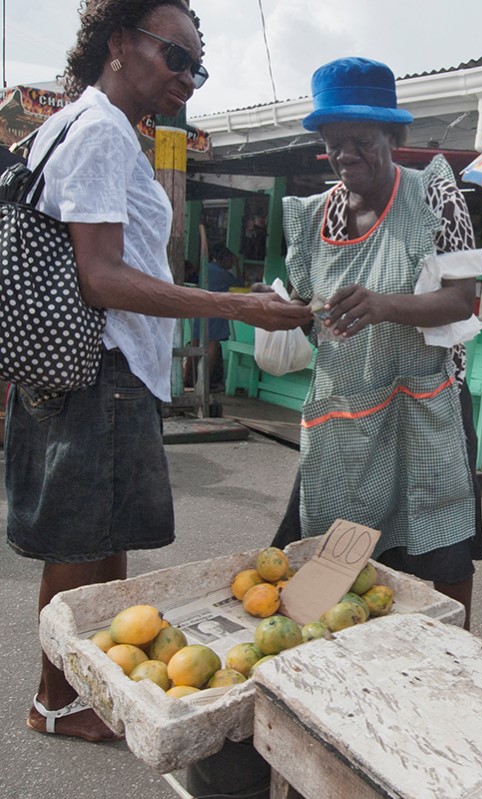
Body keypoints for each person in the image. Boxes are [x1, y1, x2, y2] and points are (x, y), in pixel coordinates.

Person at [7, 0, 311, 743]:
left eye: (197, 66)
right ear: (118, 43)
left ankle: (87, 689)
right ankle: (57, 701)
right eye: (175, 56)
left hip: (89, 367)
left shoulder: (79, 126)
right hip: (96, 368)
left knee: (103, 541)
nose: (189, 77)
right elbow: (102, 276)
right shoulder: (103, 132)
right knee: (82, 546)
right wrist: (233, 306)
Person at [273, 57, 482, 628]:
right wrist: (275, 310)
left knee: (443, 545)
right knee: (326, 555)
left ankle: (455, 655)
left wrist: (383, 305)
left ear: (394, 135)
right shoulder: (313, 216)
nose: (345, 156)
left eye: (360, 141)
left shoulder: (433, 196)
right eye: (333, 144)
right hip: (345, 408)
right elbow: (299, 304)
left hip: (424, 403)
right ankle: (327, 662)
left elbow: (463, 298)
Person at [186, 242, 244, 388]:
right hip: (215, 310)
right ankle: (203, 381)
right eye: (230, 260)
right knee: (212, 344)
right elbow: (240, 284)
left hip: (200, 307)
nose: (231, 263)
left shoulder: (206, 268)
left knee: (195, 341)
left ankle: (187, 378)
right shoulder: (223, 274)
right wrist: (237, 266)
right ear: (223, 258)